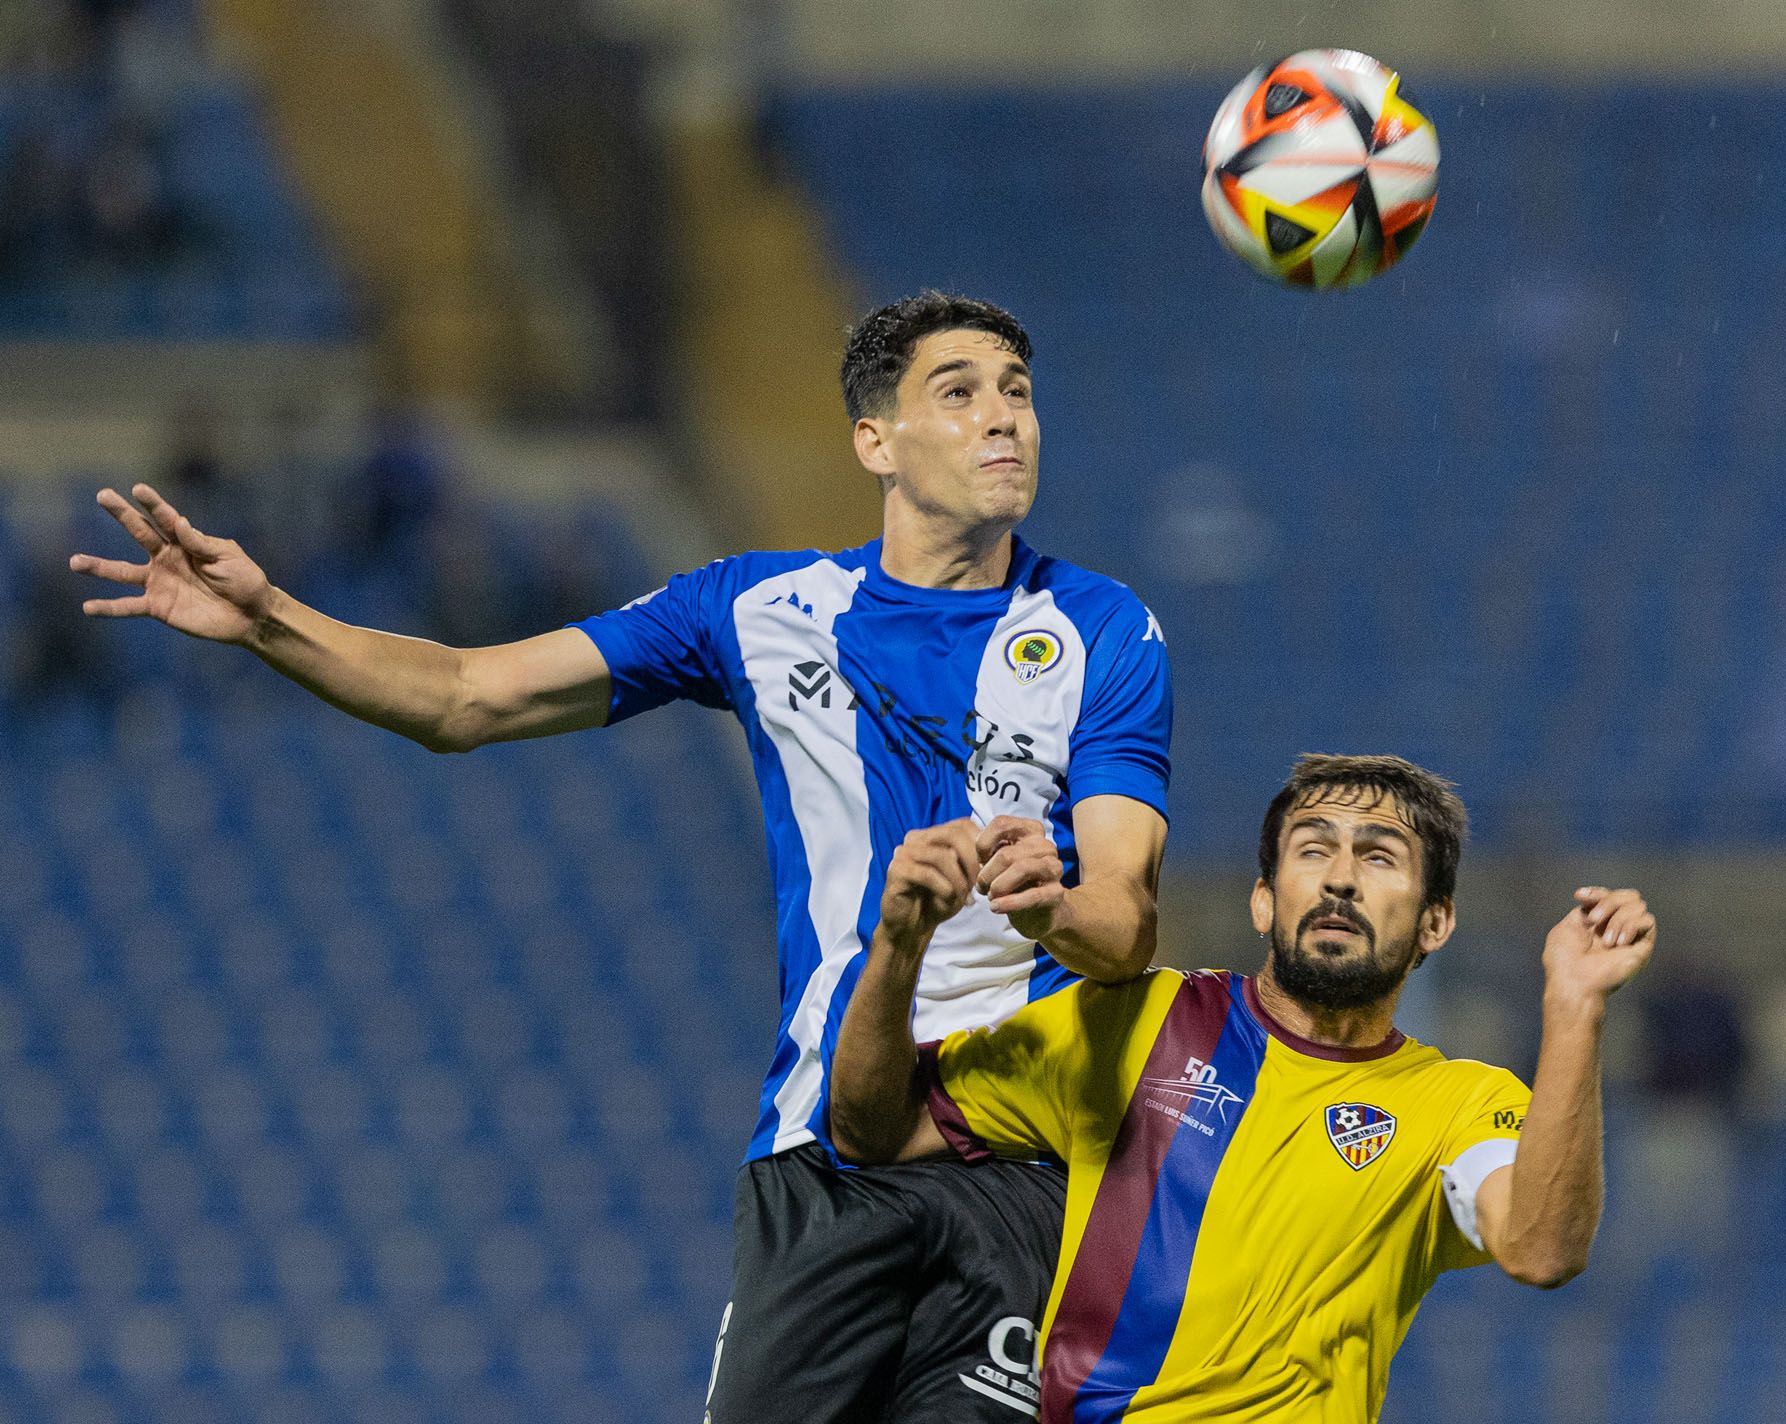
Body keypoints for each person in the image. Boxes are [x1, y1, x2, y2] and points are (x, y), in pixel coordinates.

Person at [69, 291, 1172, 1421]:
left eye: (1018, 394)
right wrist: (271, 621)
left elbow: (1128, 917)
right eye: (962, 392)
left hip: (1023, 1171)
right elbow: (464, 696)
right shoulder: (756, 605)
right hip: (822, 1158)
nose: (1005, 419)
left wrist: (1050, 911)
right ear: (874, 441)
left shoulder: (1103, 628)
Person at [832, 754, 1656, 1423]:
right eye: (1312, 849)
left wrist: (1574, 1007)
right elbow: (874, 1128)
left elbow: (1542, 1248)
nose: (1340, 879)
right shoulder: (1136, 1019)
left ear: (1435, 922)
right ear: (1265, 901)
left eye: (1378, 855)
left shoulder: (1458, 1106)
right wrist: (900, 944)